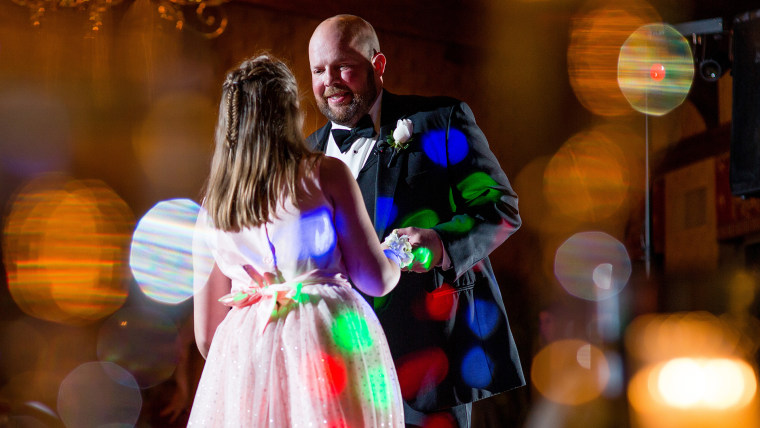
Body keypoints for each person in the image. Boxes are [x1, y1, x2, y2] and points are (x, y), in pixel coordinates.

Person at [307, 15, 525, 427]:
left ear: (379, 64)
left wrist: (442, 244)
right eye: (319, 70)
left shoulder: (440, 122)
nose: (330, 80)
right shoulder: (301, 158)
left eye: (343, 66)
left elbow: (500, 208)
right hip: (334, 369)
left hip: (429, 361)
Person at [187, 54, 405, 427]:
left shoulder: (212, 207)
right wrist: (398, 249)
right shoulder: (325, 173)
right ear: (290, 112)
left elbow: (207, 336)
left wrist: (254, 364)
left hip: (247, 361)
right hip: (327, 352)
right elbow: (376, 279)